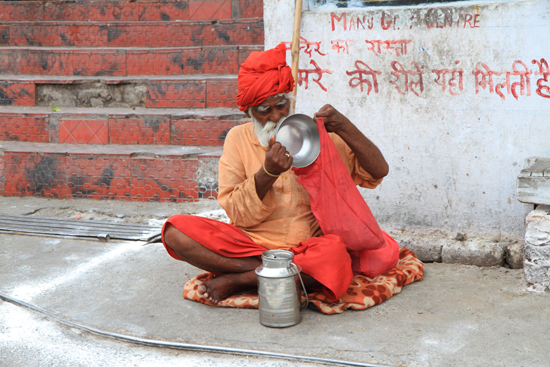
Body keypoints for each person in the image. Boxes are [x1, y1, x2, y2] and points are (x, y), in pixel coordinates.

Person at [162, 43, 390, 304]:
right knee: (175, 232)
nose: (276, 116)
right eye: (264, 110)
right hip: (251, 246)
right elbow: (236, 211)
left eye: (281, 105)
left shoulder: (315, 137)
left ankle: (239, 280)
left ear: (290, 101)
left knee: (335, 254)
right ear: (249, 112)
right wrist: (268, 173)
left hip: (307, 249)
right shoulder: (237, 138)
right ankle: (282, 275)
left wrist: (346, 127)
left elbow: (377, 171)